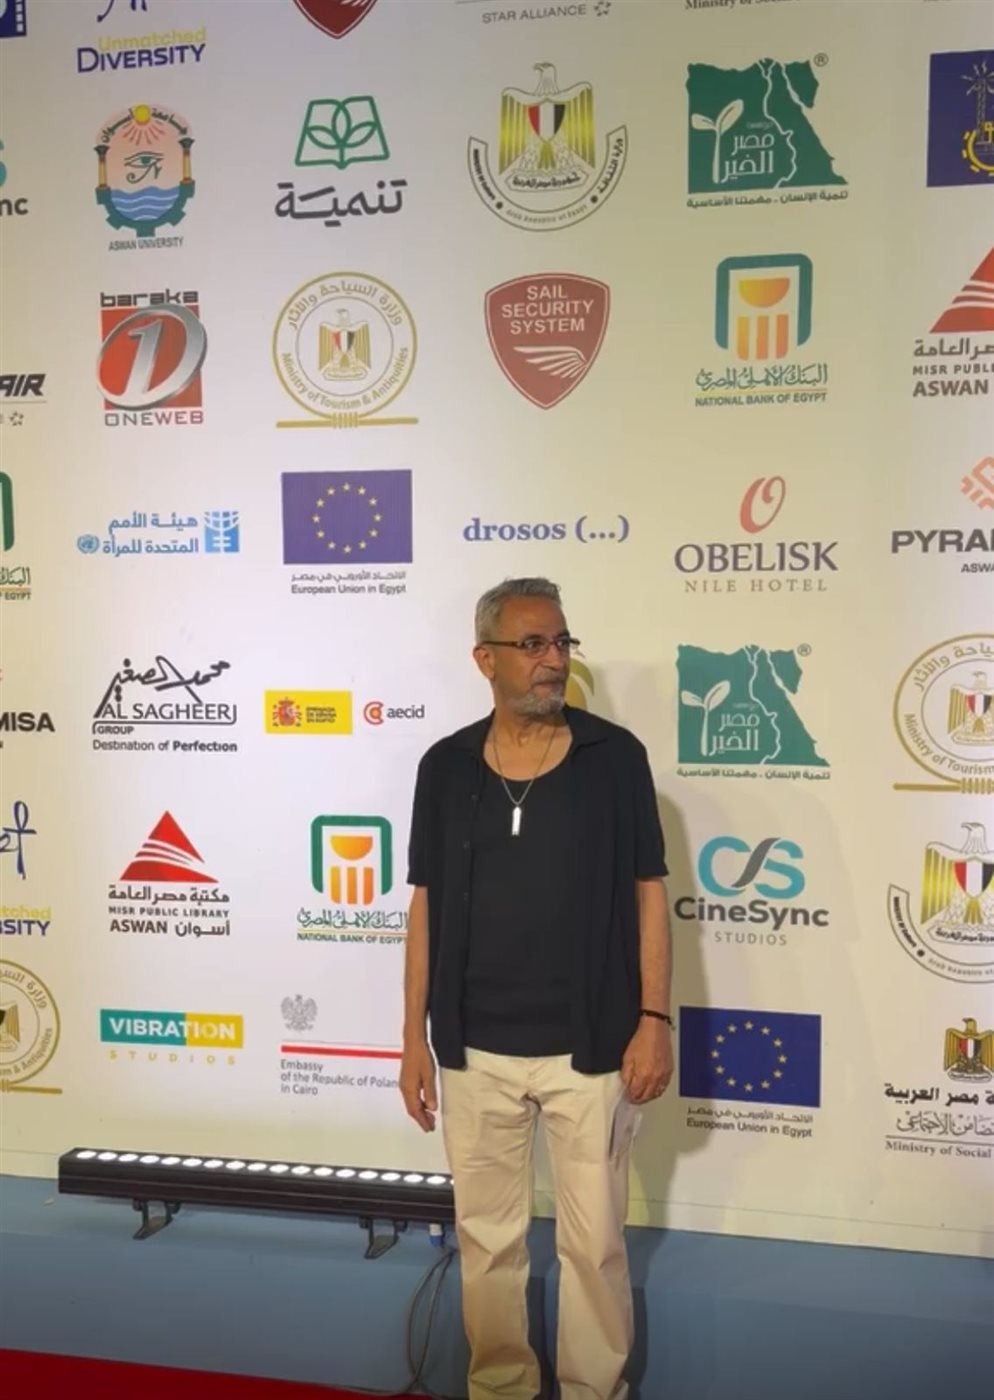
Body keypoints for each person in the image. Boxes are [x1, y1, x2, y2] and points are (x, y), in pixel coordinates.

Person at [400, 577, 673, 1400]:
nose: (553, 660)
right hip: (473, 1048)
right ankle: (500, 1388)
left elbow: (649, 892)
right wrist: (413, 1038)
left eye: (561, 642)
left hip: (591, 1046)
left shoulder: (613, 759)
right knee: (487, 1242)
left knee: (594, 1249)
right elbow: (424, 906)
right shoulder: (445, 766)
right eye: (532, 645)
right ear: (486, 659)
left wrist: (653, 1017)